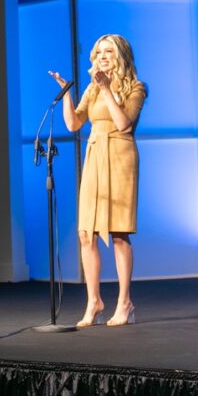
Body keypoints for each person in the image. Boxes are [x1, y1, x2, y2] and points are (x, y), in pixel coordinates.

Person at [51, 34, 146, 327]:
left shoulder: (136, 87)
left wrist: (106, 89)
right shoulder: (92, 89)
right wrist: (67, 93)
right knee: (85, 233)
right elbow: (73, 123)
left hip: (119, 156)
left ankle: (125, 302)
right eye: (98, 52)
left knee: (118, 233)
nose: (102, 56)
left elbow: (123, 123)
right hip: (94, 156)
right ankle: (94, 302)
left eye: (108, 51)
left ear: (120, 56)